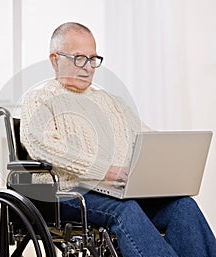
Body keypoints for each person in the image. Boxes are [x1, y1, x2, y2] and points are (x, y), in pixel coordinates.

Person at [20, 22, 216, 257]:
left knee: (183, 206)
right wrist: (106, 171)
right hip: (66, 192)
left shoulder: (110, 102)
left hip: (115, 190)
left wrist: (172, 158)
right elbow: (42, 145)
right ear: (55, 59)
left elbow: (145, 137)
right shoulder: (39, 98)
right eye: (79, 58)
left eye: (93, 59)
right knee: (126, 210)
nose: (88, 67)